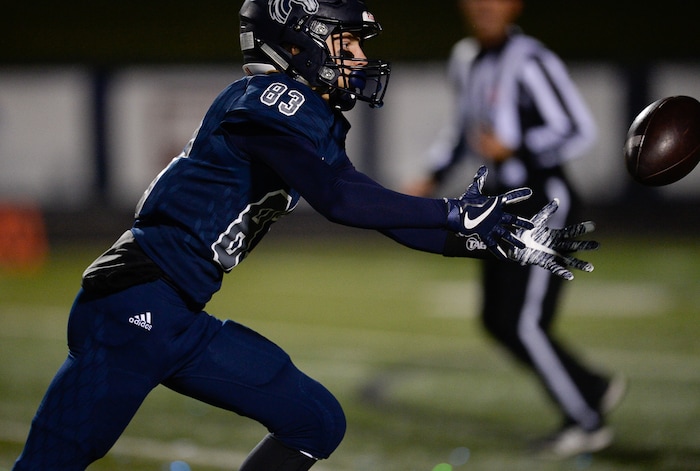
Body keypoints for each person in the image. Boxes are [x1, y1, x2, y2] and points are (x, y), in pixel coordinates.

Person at [13, 1, 599, 469]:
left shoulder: (303, 114)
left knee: (316, 421)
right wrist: (453, 212)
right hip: (132, 308)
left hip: (179, 316)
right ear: (300, 43)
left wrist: (486, 237)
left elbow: (384, 215)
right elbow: (342, 200)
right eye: (349, 42)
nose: (362, 57)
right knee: (50, 463)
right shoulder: (267, 101)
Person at [404, 0, 626, 460]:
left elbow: (578, 129)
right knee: (498, 320)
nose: (484, 6)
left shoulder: (532, 60)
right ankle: (592, 386)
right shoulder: (466, 58)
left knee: (526, 323)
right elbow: (461, 126)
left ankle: (587, 420)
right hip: (501, 207)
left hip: (545, 202)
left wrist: (517, 146)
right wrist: (431, 171)